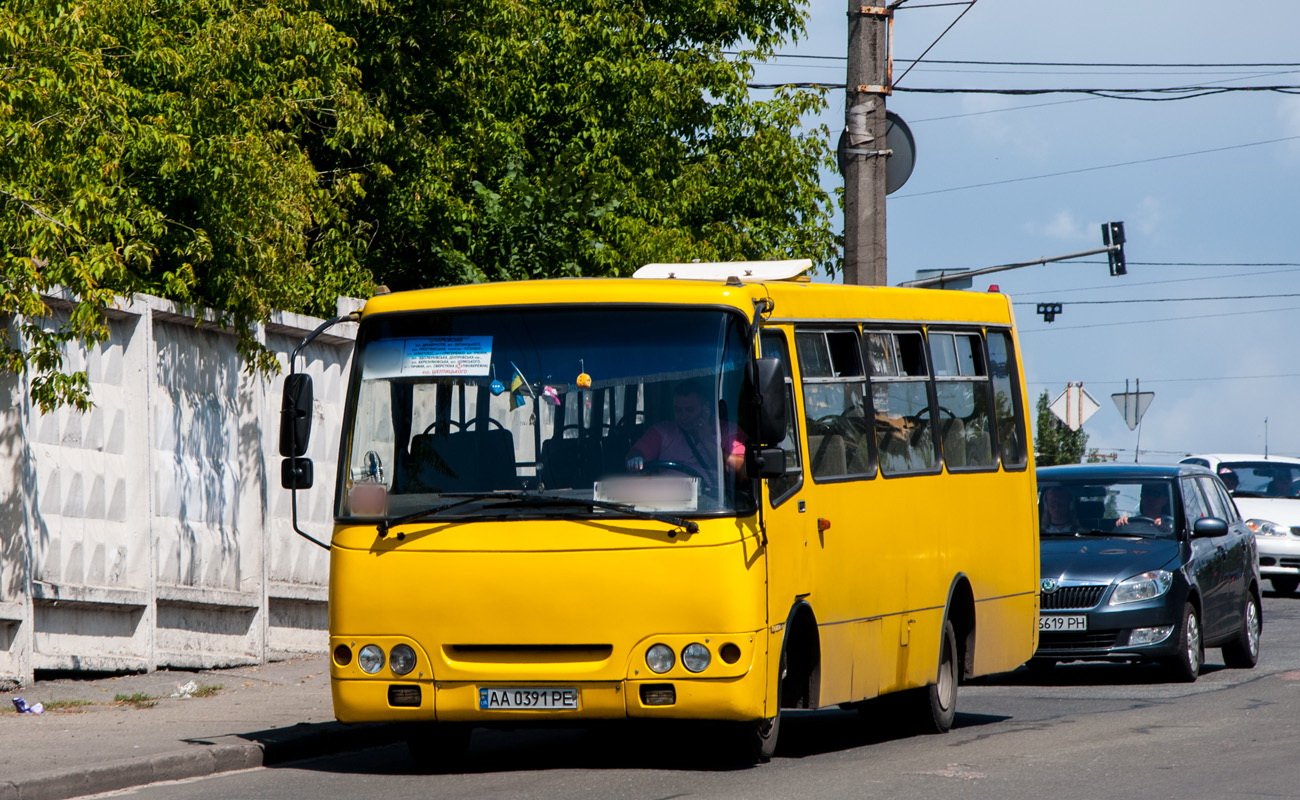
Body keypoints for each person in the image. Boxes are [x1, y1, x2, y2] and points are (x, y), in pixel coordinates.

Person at [626, 383, 745, 486]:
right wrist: (636, 459)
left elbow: (741, 469)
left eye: (690, 410)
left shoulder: (729, 431)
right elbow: (636, 453)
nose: (683, 416)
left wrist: (706, 439)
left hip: (712, 503)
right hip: (665, 498)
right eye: (678, 410)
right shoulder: (663, 431)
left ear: (706, 409)